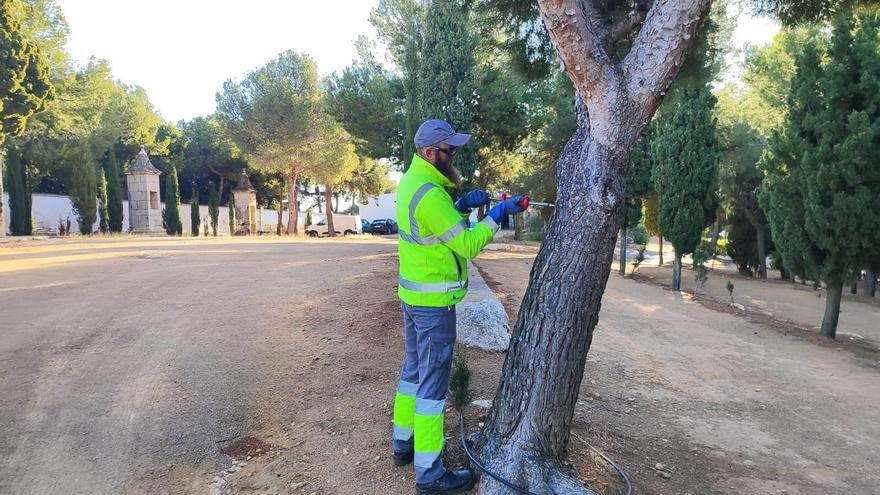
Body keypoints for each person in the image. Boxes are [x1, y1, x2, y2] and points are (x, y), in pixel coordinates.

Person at [391, 119, 527, 494]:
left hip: (414, 297)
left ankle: (403, 443)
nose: (455, 156)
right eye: (450, 151)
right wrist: (496, 217)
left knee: (413, 372)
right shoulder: (431, 194)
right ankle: (430, 473)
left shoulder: (414, 182)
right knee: (433, 385)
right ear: (430, 153)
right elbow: (466, 246)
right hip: (433, 305)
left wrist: (461, 205)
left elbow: (435, 228)